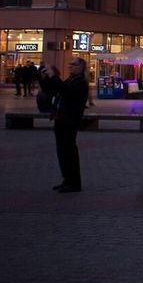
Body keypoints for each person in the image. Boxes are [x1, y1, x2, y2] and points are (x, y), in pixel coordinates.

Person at [52, 58, 89, 192]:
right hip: (61, 118)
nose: (70, 67)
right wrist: (45, 79)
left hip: (70, 120)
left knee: (69, 151)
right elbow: (58, 90)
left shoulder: (80, 82)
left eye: (73, 64)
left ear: (81, 67)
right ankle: (67, 179)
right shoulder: (71, 79)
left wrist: (54, 77)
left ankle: (73, 182)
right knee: (62, 151)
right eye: (70, 64)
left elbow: (66, 91)